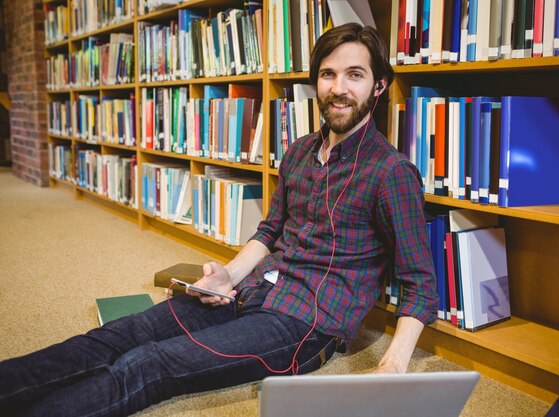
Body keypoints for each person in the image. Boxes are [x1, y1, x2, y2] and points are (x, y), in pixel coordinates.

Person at [0, 22, 438, 417]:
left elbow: (420, 283)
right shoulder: (300, 151)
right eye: (328, 74)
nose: (339, 87)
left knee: (147, 364)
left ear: (378, 87)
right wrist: (226, 275)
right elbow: (270, 231)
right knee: (118, 335)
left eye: (355, 75)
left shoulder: (392, 173)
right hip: (249, 292)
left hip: (305, 324)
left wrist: (392, 363)